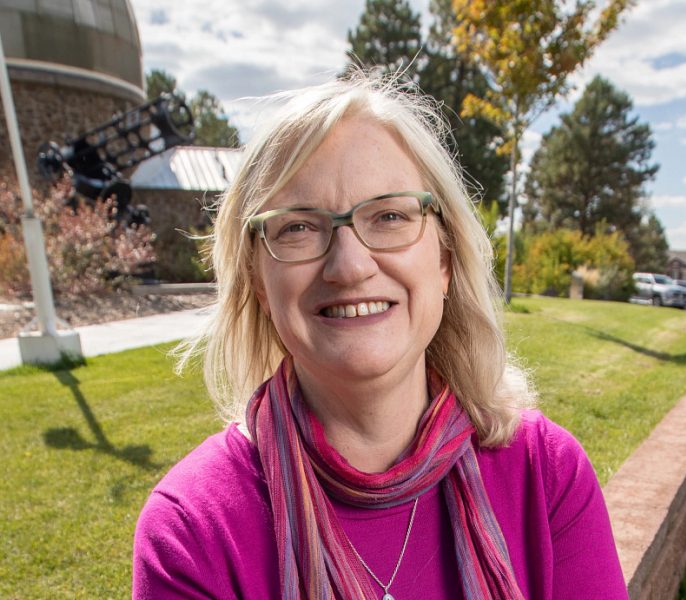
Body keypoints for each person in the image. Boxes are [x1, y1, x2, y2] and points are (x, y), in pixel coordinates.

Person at [133, 71, 628, 600]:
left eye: (389, 216)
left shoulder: (545, 474)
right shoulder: (193, 529)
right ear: (257, 280)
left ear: (443, 259)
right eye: (298, 227)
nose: (349, 266)